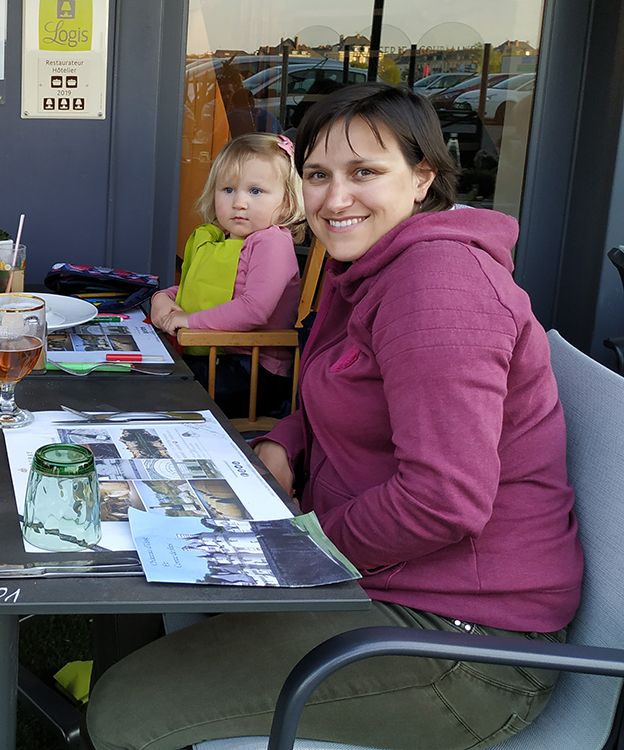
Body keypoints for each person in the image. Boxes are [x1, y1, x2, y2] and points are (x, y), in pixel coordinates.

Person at [88, 83, 583, 750]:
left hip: (466, 646)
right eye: (318, 175)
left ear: (423, 178)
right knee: (139, 555)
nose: (334, 197)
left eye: (365, 173)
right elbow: (331, 395)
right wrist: (280, 446)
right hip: (387, 587)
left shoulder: (439, 290)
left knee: (124, 708)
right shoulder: (371, 271)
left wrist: (294, 551)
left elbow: (443, 501)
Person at [151, 132, 305, 417]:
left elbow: (253, 310)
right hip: (214, 356)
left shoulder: (271, 242)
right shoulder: (221, 239)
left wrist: (189, 321)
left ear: (287, 202)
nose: (240, 202)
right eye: (228, 190)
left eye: (255, 191)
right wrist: (163, 298)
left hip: (254, 372)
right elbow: (196, 289)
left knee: (160, 391)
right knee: (147, 370)